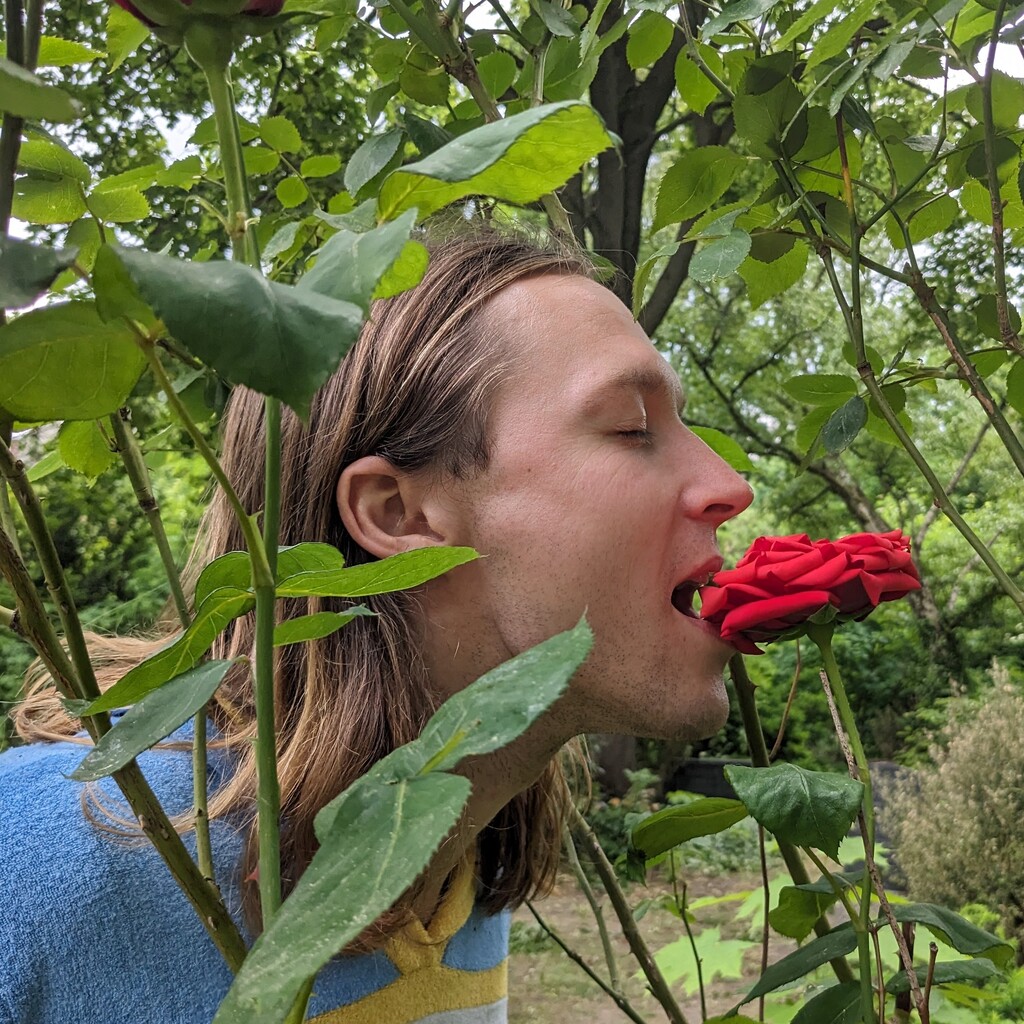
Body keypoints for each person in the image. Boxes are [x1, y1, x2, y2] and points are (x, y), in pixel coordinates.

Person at [0, 228, 753, 1023]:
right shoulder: (50, 865)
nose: (730, 485)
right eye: (633, 426)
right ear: (397, 512)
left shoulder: (457, 865)